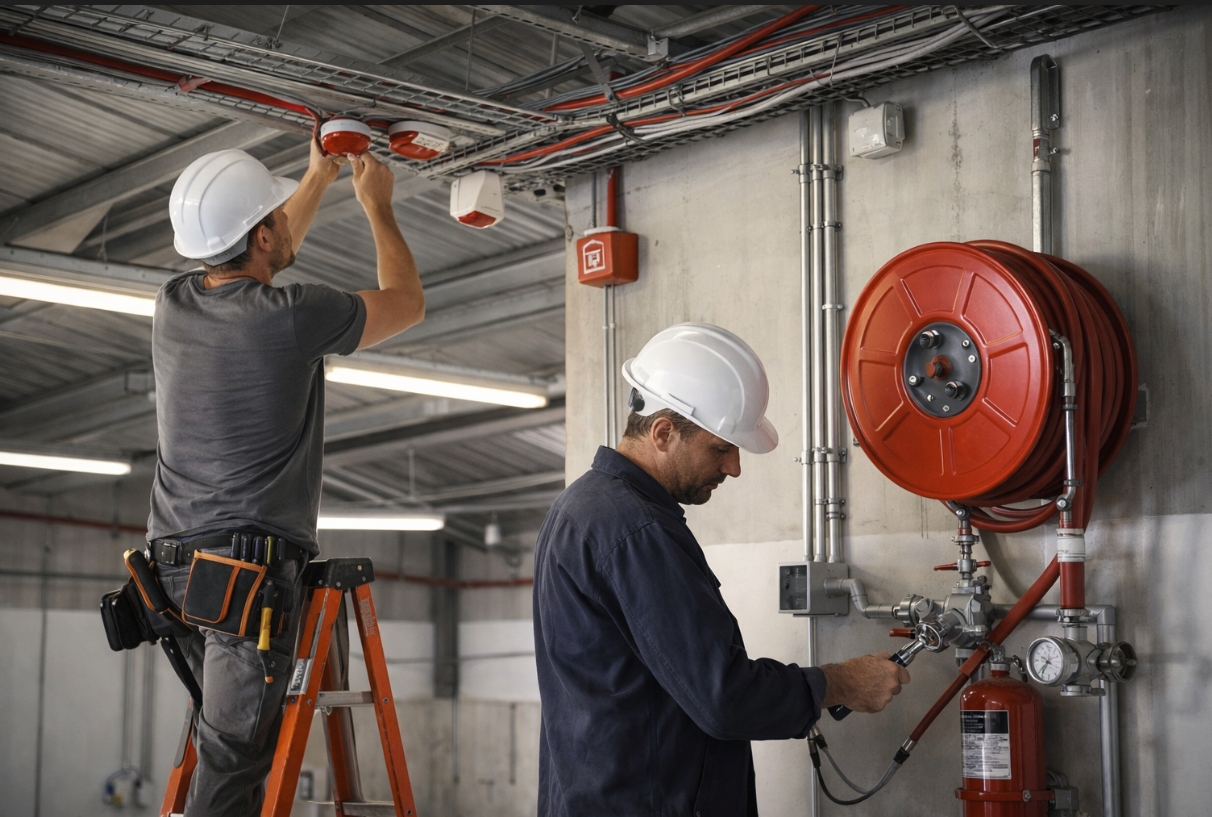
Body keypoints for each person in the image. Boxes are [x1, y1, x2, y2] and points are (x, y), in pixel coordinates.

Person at [147, 138, 424, 816]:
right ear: (263, 233)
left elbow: (261, 245)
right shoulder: (296, 314)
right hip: (243, 580)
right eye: (272, 219)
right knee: (231, 764)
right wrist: (376, 206)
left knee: (222, 747)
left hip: (171, 575)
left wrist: (316, 175)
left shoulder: (174, 303)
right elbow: (406, 300)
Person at [533, 322, 910, 817]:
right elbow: (721, 697)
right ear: (663, 432)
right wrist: (837, 683)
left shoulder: (580, 509)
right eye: (721, 448)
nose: (734, 467)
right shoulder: (636, 530)